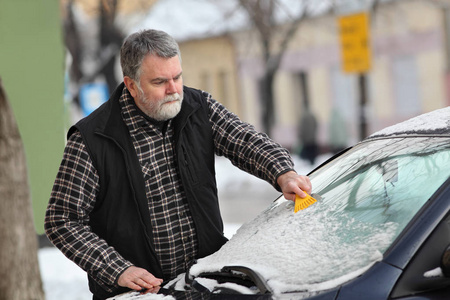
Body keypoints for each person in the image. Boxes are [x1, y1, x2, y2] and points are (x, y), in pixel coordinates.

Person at [45, 29, 312, 300]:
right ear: (131, 85)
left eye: (177, 77)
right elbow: (61, 220)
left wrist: (283, 172)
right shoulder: (93, 139)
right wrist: (117, 270)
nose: (174, 90)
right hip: (140, 295)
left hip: (205, 285)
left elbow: (245, 140)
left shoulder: (198, 107)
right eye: (160, 81)